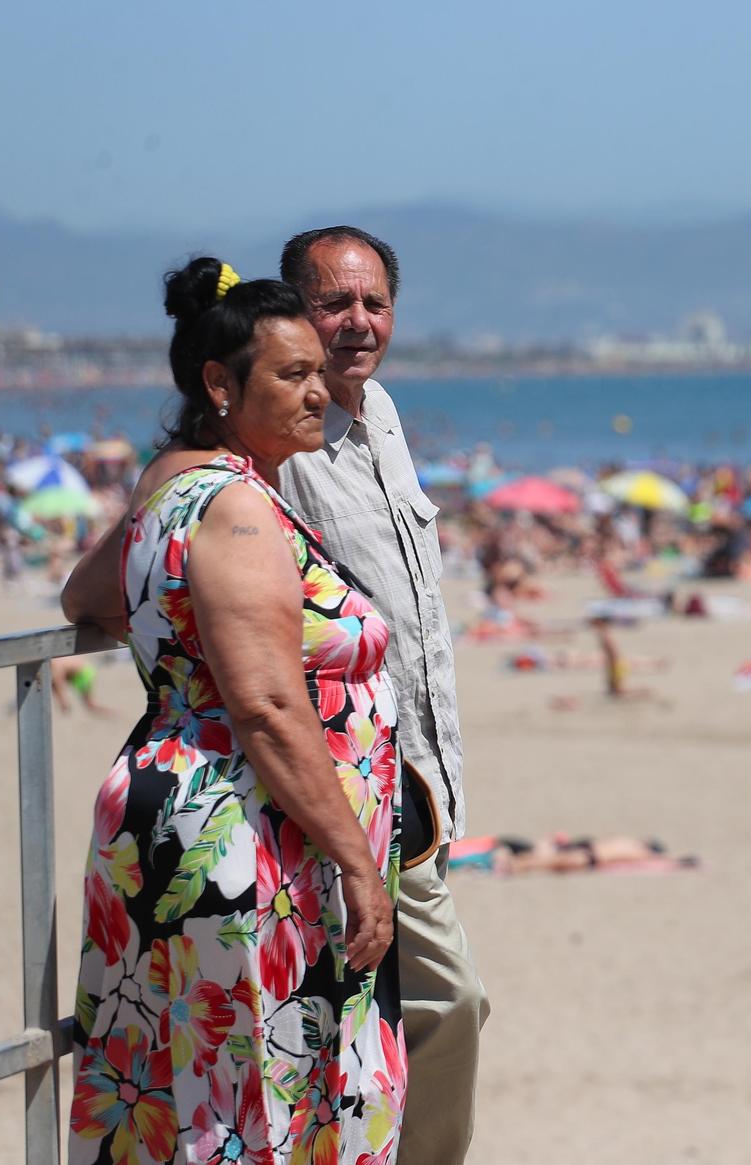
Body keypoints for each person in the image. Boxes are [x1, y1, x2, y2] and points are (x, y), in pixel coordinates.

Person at [66, 227, 488, 1164]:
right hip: (260, 828)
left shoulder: (323, 433)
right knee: (258, 1095)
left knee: (206, 1088)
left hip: (313, 807)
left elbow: (91, 594)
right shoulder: (244, 493)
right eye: (322, 322)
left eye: (374, 304)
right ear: (228, 384)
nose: (344, 340)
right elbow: (264, 702)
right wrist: (354, 856)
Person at [447, 833, 696, 876]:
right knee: (546, 860)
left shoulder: (632, 846)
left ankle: (517, 865)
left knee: (545, 860)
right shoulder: (635, 849)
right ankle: (517, 865)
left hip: (586, 854)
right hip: (588, 856)